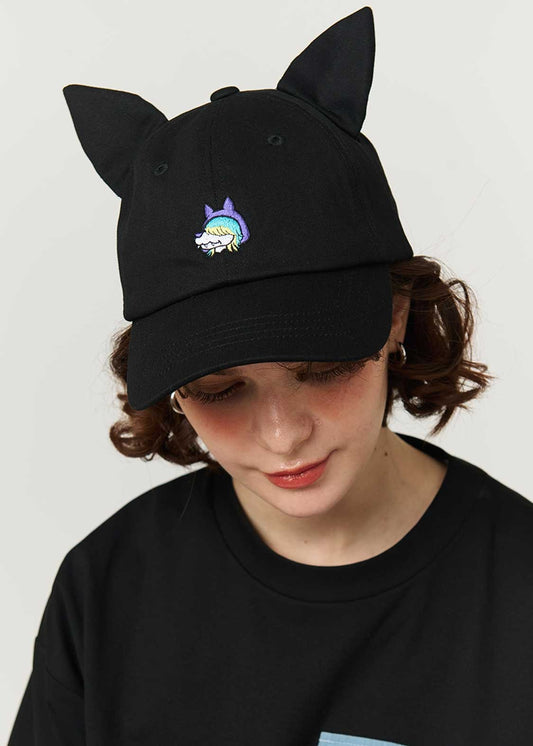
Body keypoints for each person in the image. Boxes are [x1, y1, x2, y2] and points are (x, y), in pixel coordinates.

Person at [8, 7, 533, 746]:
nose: (283, 436)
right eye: (219, 389)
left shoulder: (517, 591)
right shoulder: (106, 590)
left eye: (321, 369)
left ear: (393, 317)